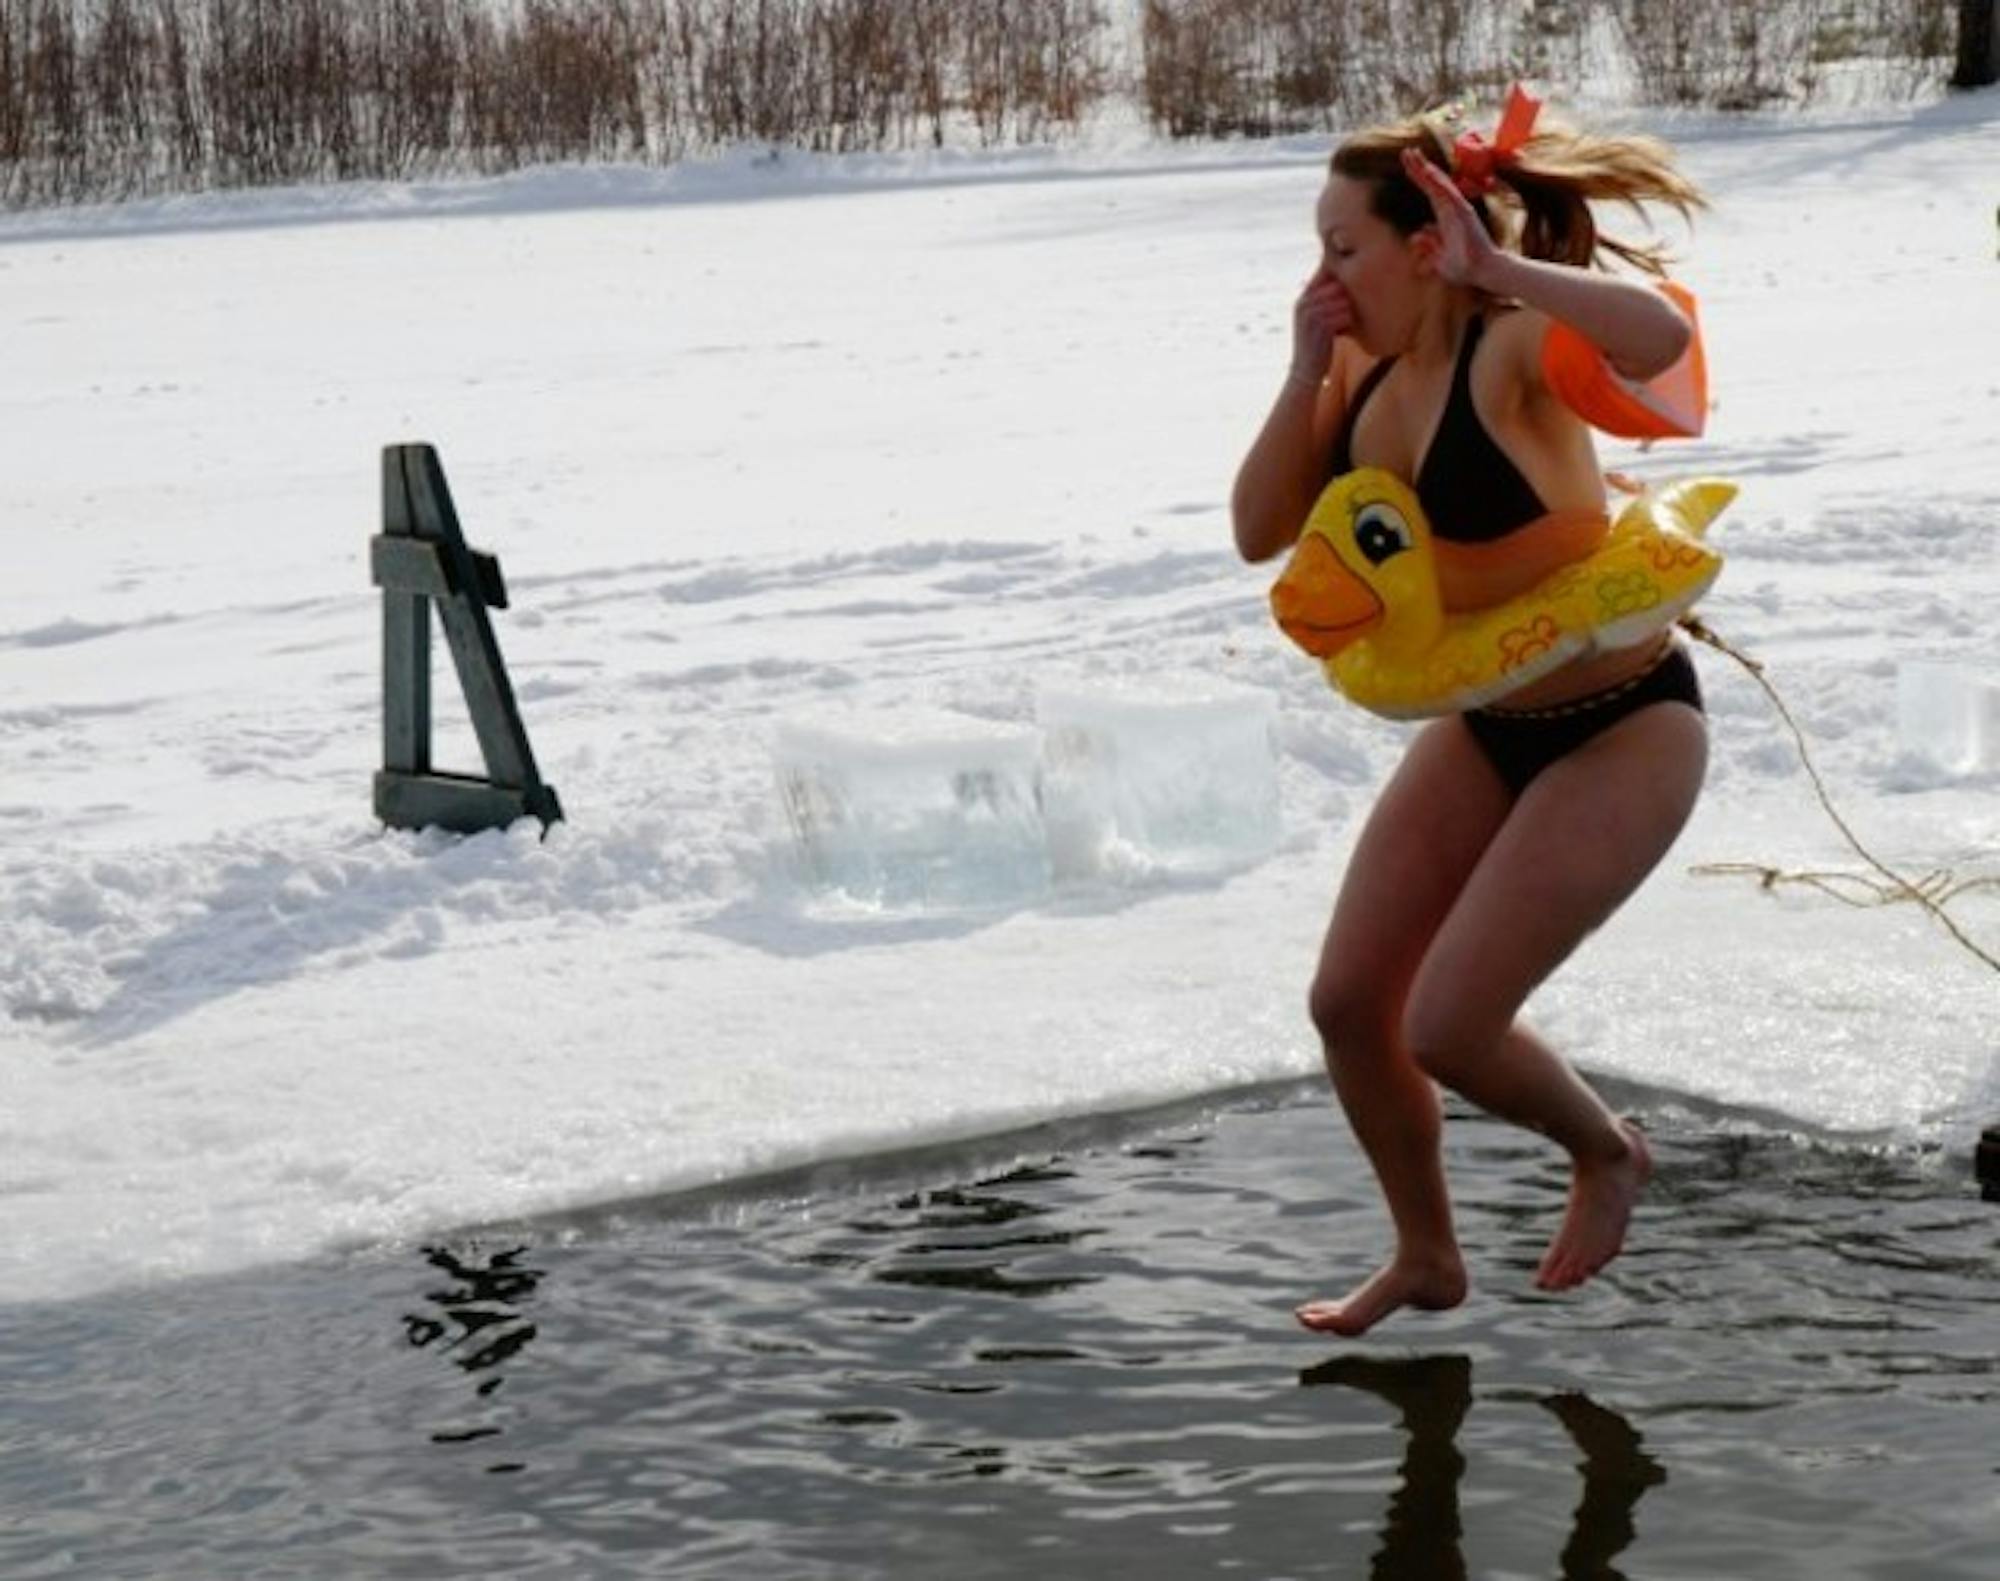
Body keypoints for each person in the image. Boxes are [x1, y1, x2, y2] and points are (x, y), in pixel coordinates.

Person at [1229, 89, 1711, 1337]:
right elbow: (1256, 531)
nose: (1322, 274)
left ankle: (1605, 1153)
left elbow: (1655, 343)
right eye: (1315, 248)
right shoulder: (1359, 371)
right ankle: (1425, 1255)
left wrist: (1500, 266)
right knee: (1349, 1006)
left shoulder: (1505, 349)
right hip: (1488, 726)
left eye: (1342, 248)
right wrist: (1299, 369)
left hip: (1623, 724)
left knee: (1447, 1023)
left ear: (1421, 244)